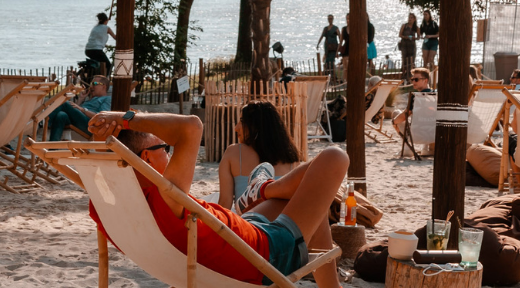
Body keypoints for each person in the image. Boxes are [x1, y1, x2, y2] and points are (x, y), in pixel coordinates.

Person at [87, 111, 346, 288]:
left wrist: (103, 137)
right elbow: (191, 126)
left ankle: (263, 189)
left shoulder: (107, 207)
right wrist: (124, 118)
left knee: (308, 201)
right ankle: (264, 189)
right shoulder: (166, 199)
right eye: (165, 148)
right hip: (264, 255)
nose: (170, 154)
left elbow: (101, 169)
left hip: (237, 236)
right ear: (146, 158)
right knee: (334, 156)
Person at [217, 101, 300, 210]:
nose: (236, 128)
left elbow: (224, 203)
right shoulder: (291, 159)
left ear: (256, 126)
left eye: (242, 121)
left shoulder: (234, 153)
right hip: (280, 219)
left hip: (248, 219)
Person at [391, 68, 433, 135]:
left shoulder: (416, 96)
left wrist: (393, 122)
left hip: (417, 133)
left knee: (396, 113)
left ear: (425, 80)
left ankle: (406, 140)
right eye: (412, 79)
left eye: (416, 80)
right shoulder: (435, 95)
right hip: (432, 132)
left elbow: (405, 115)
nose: (413, 82)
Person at [398, 13, 419, 80]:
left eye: (411, 18)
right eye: (409, 17)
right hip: (404, 44)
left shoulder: (416, 27)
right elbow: (400, 35)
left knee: (411, 60)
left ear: (414, 19)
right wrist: (405, 37)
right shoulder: (404, 26)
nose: (410, 19)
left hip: (412, 45)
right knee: (404, 60)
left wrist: (414, 38)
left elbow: (418, 37)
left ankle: (410, 76)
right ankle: (403, 75)